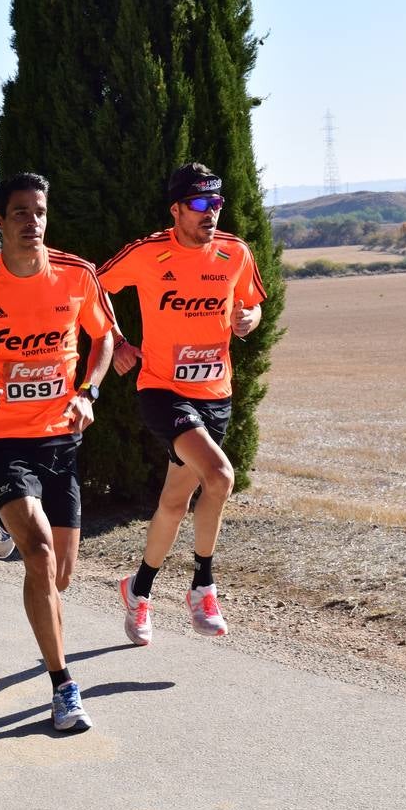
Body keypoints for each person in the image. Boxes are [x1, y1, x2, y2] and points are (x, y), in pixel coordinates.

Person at [0, 172, 114, 732]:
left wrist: (89, 392)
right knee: (38, 555)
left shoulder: (78, 276)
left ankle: (9, 522)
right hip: (3, 440)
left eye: (39, 211)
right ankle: (64, 686)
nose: (31, 222)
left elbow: (103, 337)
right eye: (19, 213)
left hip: (62, 437)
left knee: (59, 576)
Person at [97, 162, 266, 646]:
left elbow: (252, 302)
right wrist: (119, 341)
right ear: (176, 209)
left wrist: (249, 318)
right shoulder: (148, 253)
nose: (209, 212)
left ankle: (138, 589)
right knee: (221, 476)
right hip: (162, 389)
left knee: (173, 503)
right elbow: (91, 288)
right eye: (198, 204)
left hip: (216, 395)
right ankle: (202, 586)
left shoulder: (235, 253)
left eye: (216, 203)